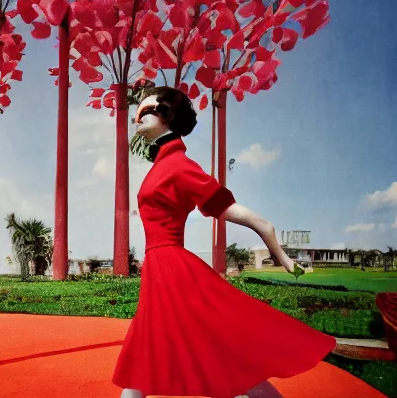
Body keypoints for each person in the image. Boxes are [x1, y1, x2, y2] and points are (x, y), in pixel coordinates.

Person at [113, 86, 336, 398]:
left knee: (208, 346)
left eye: (149, 110)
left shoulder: (179, 165)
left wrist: (275, 247)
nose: (140, 116)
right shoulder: (165, 163)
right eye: (139, 112)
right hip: (160, 269)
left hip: (172, 270)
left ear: (168, 117)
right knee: (185, 348)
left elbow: (233, 210)